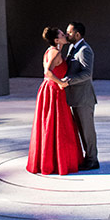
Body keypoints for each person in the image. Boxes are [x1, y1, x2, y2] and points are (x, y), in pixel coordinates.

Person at [26, 27, 83, 175]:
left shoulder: (49, 50)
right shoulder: (56, 52)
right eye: (62, 35)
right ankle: (59, 162)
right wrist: (61, 83)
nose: (65, 35)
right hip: (53, 91)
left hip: (48, 90)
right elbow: (48, 72)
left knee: (49, 125)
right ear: (57, 40)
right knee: (59, 126)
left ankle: (47, 161)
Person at [60, 21, 99, 170]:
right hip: (75, 97)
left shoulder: (84, 50)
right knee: (81, 130)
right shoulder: (72, 47)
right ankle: (87, 158)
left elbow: (87, 74)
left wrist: (68, 81)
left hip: (83, 98)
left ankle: (92, 160)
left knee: (87, 131)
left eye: (69, 32)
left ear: (77, 34)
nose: (66, 34)